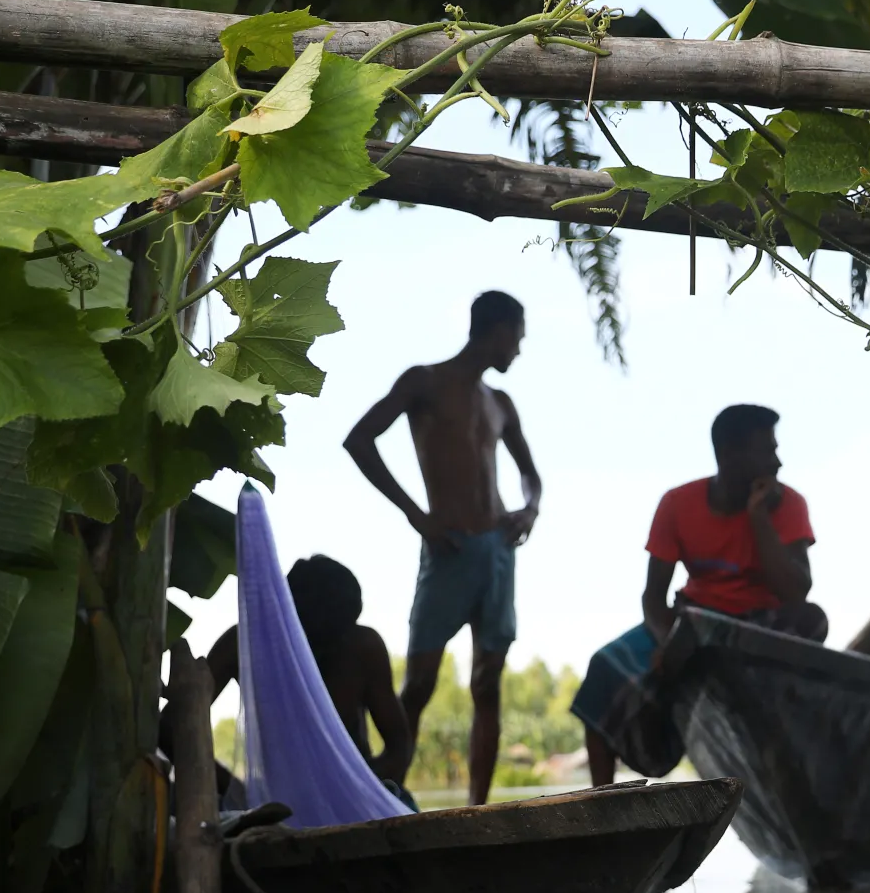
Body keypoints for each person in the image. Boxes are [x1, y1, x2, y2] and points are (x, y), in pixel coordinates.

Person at [343, 290, 543, 806]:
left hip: (498, 551)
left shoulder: (500, 403)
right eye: (517, 338)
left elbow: (530, 476)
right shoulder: (425, 382)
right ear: (496, 330)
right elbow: (359, 439)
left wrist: (530, 510)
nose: (519, 350)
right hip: (448, 547)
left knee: (488, 683)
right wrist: (417, 516)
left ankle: (478, 806)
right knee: (421, 682)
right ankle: (386, 790)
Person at [573, 404, 824, 788]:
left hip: (756, 627)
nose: (778, 462)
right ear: (729, 455)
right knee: (603, 668)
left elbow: (796, 592)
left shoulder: (788, 504)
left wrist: (759, 518)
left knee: (813, 618)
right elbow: (653, 596)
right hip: (692, 623)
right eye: (767, 451)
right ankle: (601, 801)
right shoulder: (678, 503)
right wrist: (666, 641)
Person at [206, 554, 414, 804]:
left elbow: (399, 748)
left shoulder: (361, 647)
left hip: (357, 795)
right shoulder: (245, 645)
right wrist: (237, 791)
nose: (331, 646)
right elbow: (169, 727)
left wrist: (352, 784)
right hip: (275, 803)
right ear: (287, 617)